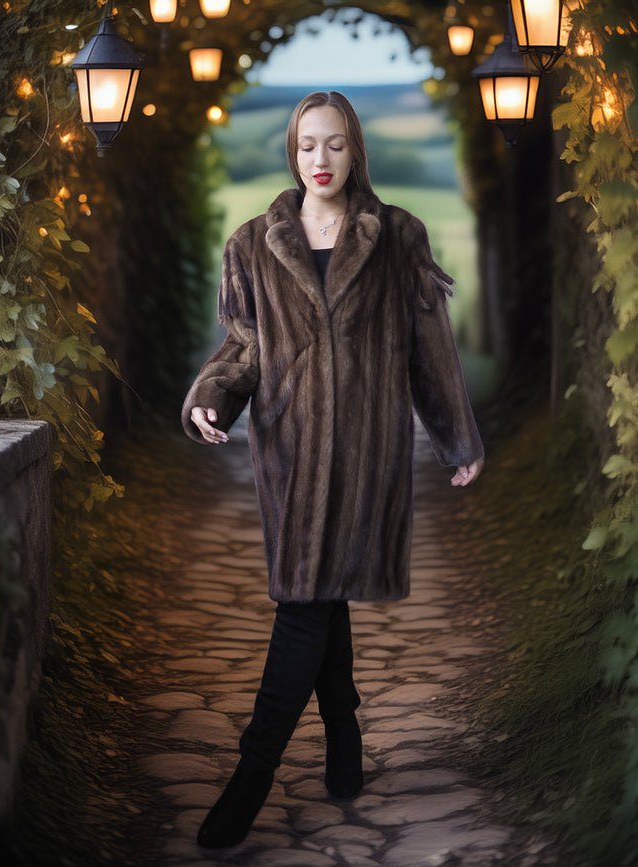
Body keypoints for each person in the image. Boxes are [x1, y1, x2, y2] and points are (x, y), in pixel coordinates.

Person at [181, 90, 484, 849]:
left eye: (337, 145)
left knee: (304, 601)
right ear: (292, 150)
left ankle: (251, 777)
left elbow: (430, 352)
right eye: (308, 144)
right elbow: (245, 347)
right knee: (317, 593)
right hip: (287, 454)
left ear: (356, 152)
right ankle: (343, 733)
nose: (322, 160)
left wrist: (457, 438)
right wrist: (212, 396)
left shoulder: (398, 238)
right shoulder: (253, 243)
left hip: (365, 455)